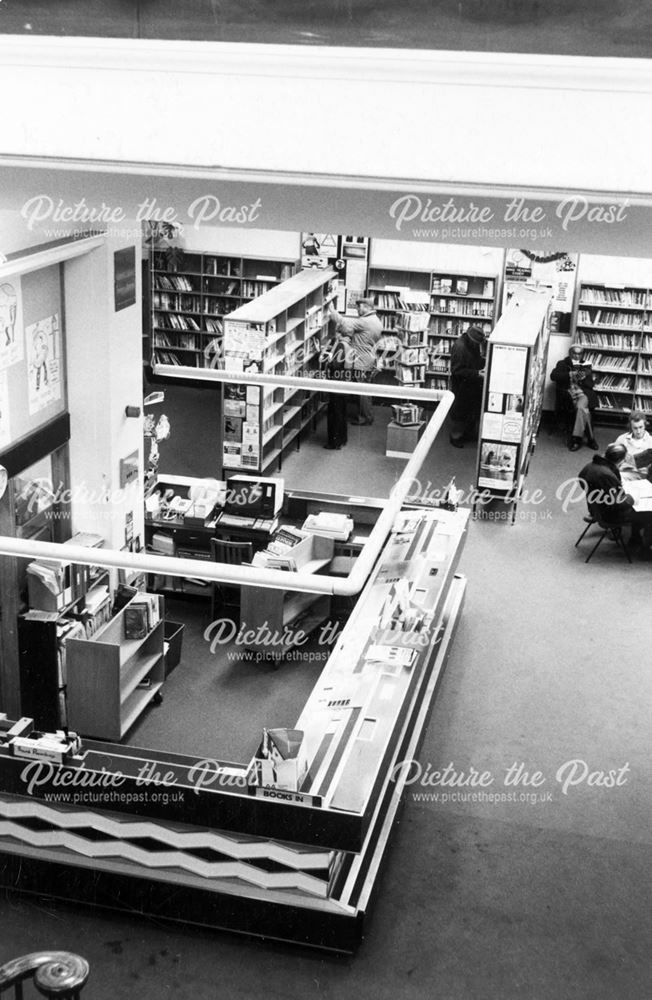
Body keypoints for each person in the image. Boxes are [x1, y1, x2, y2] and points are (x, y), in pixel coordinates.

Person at [578, 442, 652, 552]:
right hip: (610, 515)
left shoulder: (590, 466)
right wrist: (631, 498)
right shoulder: (606, 475)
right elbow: (617, 504)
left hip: (596, 509)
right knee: (648, 513)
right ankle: (645, 548)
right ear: (620, 461)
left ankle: (635, 538)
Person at [327, 297, 382, 425]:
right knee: (365, 390)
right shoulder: (376, 321)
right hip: (369, 359)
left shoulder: (365, 321)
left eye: (359, 306)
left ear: (367, 307)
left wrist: (333, 311)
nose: (357, 309)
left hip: (361, 361)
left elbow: (345, 323)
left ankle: (365, 418)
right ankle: (366, 416)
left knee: (362, 391)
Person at [550, 344, 598, 452]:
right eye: (574, 353)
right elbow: (553, 376)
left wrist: (584, 377)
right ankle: (591, 438)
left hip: (582, 394)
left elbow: (591, 385)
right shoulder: (562, 363)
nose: (577, 356)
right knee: (584, 411)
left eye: (579, 354)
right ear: (570, 353)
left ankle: (576, 439)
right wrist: (570, 374)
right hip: (567, 394)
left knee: (581, 408)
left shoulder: (586, 365)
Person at [449, 325, 486, 448]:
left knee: (469, 409)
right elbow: (456, 370)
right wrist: (477, 373)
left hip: (470, 382)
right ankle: (455, 437)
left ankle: (465, 434)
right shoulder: (460, 347)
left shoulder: (470, 343)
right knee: (460, 411)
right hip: (461, 385)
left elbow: (475, 359)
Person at [321, 335, 348, 450]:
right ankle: (342, 439)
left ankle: (334, 442)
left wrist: (327, 359)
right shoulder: (347, 345)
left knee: (334, 413)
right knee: (342, 412)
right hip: (345, 383)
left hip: (337, 384)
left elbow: (336, 365)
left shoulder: (340, 346)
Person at [614, 410, 652, 478]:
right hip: (624, 474)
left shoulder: (651, 441)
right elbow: (612, 459)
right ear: (631, 427)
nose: (638, 431)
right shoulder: (622, 439)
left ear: (645, 425)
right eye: (635, 428)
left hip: (644, 477)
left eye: (641, 427)